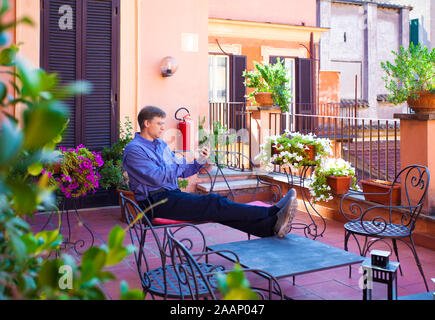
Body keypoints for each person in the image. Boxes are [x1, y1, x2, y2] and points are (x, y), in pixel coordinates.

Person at [123, 106, 297, 238]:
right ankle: (271, 213)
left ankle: (268, 228)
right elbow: (157, 177)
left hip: (170, 196)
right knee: (213, 202)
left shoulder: (159, 144)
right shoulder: (134, 150)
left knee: (216, 208)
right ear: (147, 124)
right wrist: (188, 159)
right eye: (159, 123)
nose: (163, 127)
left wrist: (199, 161)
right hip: (155, 204)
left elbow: (180, 170)